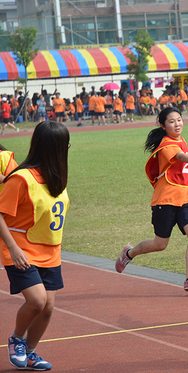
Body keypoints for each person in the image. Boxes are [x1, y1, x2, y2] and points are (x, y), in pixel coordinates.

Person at [115, 107, 188, 291]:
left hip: (186, 199)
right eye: (172, 121)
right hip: (165, 201)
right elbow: (179, 156)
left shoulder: (181, 140)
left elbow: (181, 165)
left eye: (179, 119)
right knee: (160, 244)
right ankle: (129, 253)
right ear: (163, 126)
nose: (177, 124)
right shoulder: (166, 144)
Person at [0, 122, 70, 371]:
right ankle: (17, 339)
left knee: (48, 308)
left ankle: (30, 352)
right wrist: (13, 248)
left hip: (50, 252)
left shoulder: (57, 177)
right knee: (37, 301)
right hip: (20, 248)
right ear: (53, 148)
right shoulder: (21, 178)